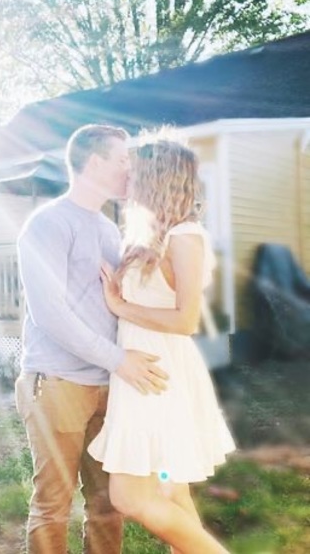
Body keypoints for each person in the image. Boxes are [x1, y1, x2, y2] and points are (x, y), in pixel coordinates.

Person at [15, 124, 169, 554]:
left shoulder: (108, 229)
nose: (129, 169)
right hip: (59, 384)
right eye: (122, 160)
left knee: (107, 503)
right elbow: (50, 314)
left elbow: (118, 303)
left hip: (108, 385)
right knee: (53, 504)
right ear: (96, 162)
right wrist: (119, 359)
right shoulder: (48, 223)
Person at [88, 138, 236, 554]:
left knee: (129, 496)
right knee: (171, 490)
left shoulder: (185, 236)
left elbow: (186, 320)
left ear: (156, 178)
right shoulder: (150, 235)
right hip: (141, 368)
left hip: (158, 371)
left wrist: (120, 306)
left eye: (134, 172)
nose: (127, 177)